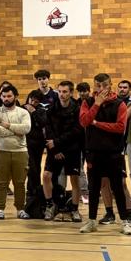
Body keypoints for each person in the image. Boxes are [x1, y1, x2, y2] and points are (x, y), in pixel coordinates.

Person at [79, 73, 131, 235]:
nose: (100, 89)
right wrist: (97, 104)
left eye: (104, 85)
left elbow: (120, 127)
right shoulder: (88, 102)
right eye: (97, 86)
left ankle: (125, 221)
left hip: (113, 152)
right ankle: (92, 221)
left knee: (118, 188)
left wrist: (97, 123)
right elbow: (84, 121)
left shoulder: (119, 104)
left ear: (110, 85)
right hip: (93, 152)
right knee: (94, 188)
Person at [44, 80, 83, 221]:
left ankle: (75, 209)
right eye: (59, 91)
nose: (61, 94)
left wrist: (57, 142)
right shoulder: (52, 108)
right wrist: (55, 149)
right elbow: (48, 129)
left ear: (71, 93)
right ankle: (50, 205)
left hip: (72, 149)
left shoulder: (78, 109)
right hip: (55, 149)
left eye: (65, 92)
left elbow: (77, 131)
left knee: (74, 179)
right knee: (46, 176)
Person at [0, 84, 30, 219]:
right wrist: (15, 131)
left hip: (20, 151)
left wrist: (8, 125)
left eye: (9, 96)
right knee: (1, 182)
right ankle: (0, 209)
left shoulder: (23, 112)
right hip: (0, 151)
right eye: (4, 96)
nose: (6, 98)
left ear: (15, 96)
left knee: (20, 182)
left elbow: (26, 129)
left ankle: (20, 209)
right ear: (1, 97)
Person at [23, 90, 50, 217]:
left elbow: (43, 123)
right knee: (30, 168)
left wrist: (33, 112)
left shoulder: (41, 110)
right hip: (24, 143)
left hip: (37, 144)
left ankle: (35, 191)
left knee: (36, 167)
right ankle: (30, 191)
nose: (33, 102)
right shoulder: (21, 108)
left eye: (36, 101)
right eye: (31, 100)